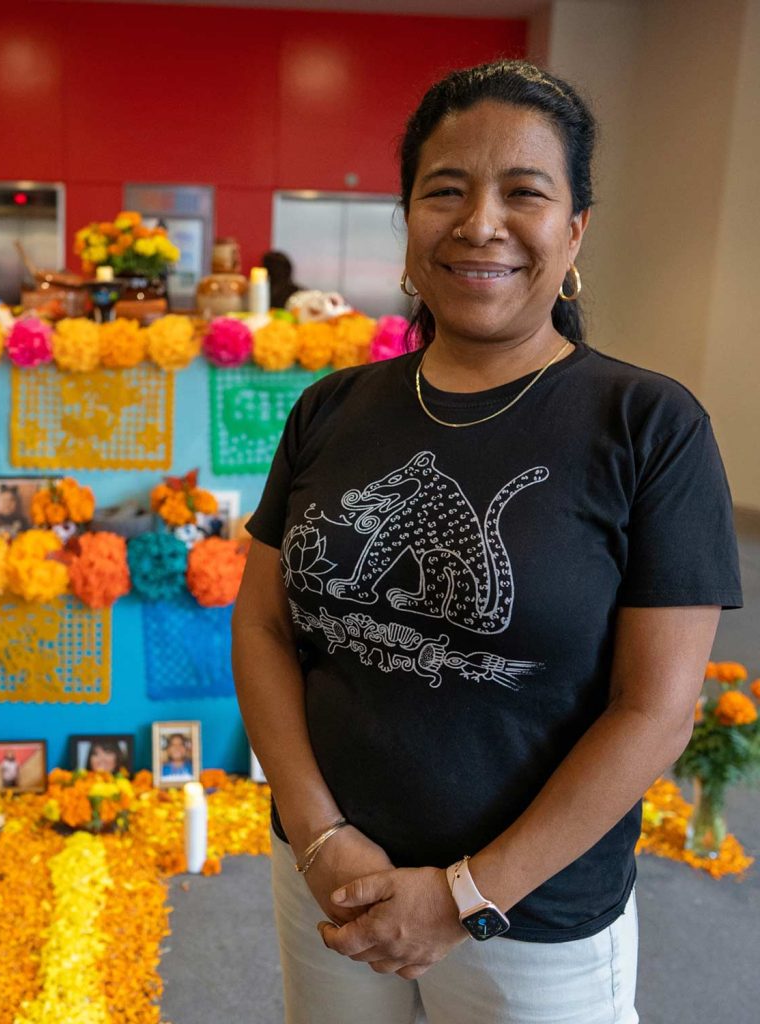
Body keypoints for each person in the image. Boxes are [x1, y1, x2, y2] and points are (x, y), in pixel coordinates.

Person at [233, 59, 741, 1024]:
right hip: (331, 882)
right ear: (408, 221)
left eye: (524, 193)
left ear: (574, 229)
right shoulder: (333, 410)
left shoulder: (648, 425)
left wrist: (467, 894)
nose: (480, 224)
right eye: (446, 191)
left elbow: (655, 711)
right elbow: (262, 626)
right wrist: (319, 837)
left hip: (531, 918)